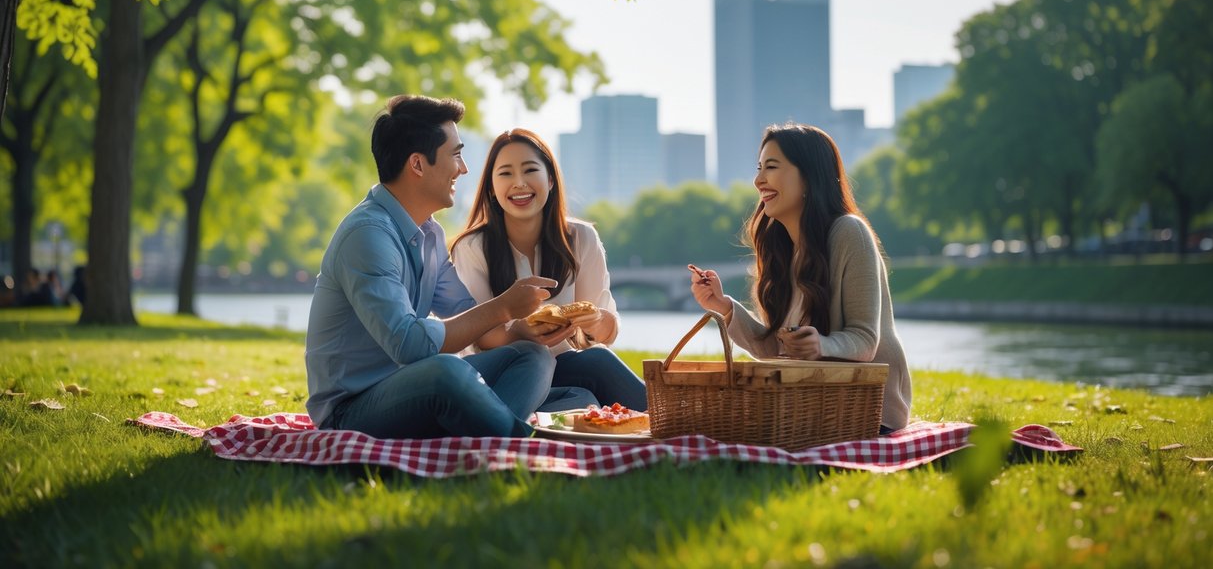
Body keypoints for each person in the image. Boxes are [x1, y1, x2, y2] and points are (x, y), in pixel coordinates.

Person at [305, 95, 574, 439]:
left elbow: (466, 313)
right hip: (352, 408)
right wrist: (504, 305)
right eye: (456, 155)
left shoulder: (430, 232)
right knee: (445, 372)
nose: (463, 169)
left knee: (531, 356)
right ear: (417, 165)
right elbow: (408, 344)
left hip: (415, 388)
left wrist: (518, 330)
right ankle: (517, 441)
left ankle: (489, 431)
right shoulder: (368, 235)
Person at [688, 123, 911, 433]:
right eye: (759, 168)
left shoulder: (849, 233)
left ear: (807, 177)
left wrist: (821, 344)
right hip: (811, 404)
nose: (758, 180)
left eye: (772, 167)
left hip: (870, 413)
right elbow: (774, 349)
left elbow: (865, 341)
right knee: (706, 423)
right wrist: (725, 307)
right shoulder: (785, 251)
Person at [451, 129, 647, 412]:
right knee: (584, 397)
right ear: (491, 188)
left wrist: (593, 322)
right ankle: (672, 425)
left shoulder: (582, 238)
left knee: (594, 372)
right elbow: (481, 335)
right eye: (505, 173)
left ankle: (670, 426)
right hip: (503, 372)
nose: (519, 183)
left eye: (530, 170)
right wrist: (519, 331)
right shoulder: (473, 247)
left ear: (551, 179)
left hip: (567, 367)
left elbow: (607, 331)